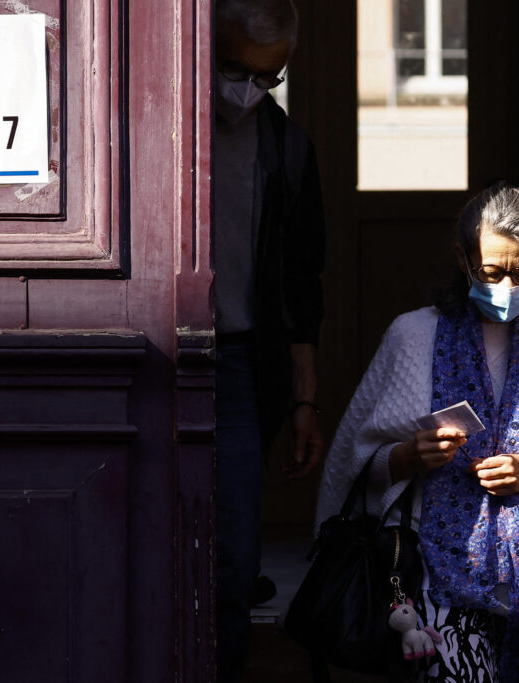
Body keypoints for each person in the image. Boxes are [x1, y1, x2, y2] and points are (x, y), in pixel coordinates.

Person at [315, 184, 519, 682]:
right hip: (430, 575)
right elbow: (355, 459)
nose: (506, 287)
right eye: (491, 271)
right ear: (462, 259)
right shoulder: (411, 334)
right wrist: (409, 456)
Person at [212, 0, 326, 681]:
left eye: (269, 77)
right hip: (149, 351)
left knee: (234, 553)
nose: (248, 91)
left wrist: (305, 401)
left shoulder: (286, 147)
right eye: (235, 70)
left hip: (240, 363)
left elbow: (302, 282)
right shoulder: (159, 125)